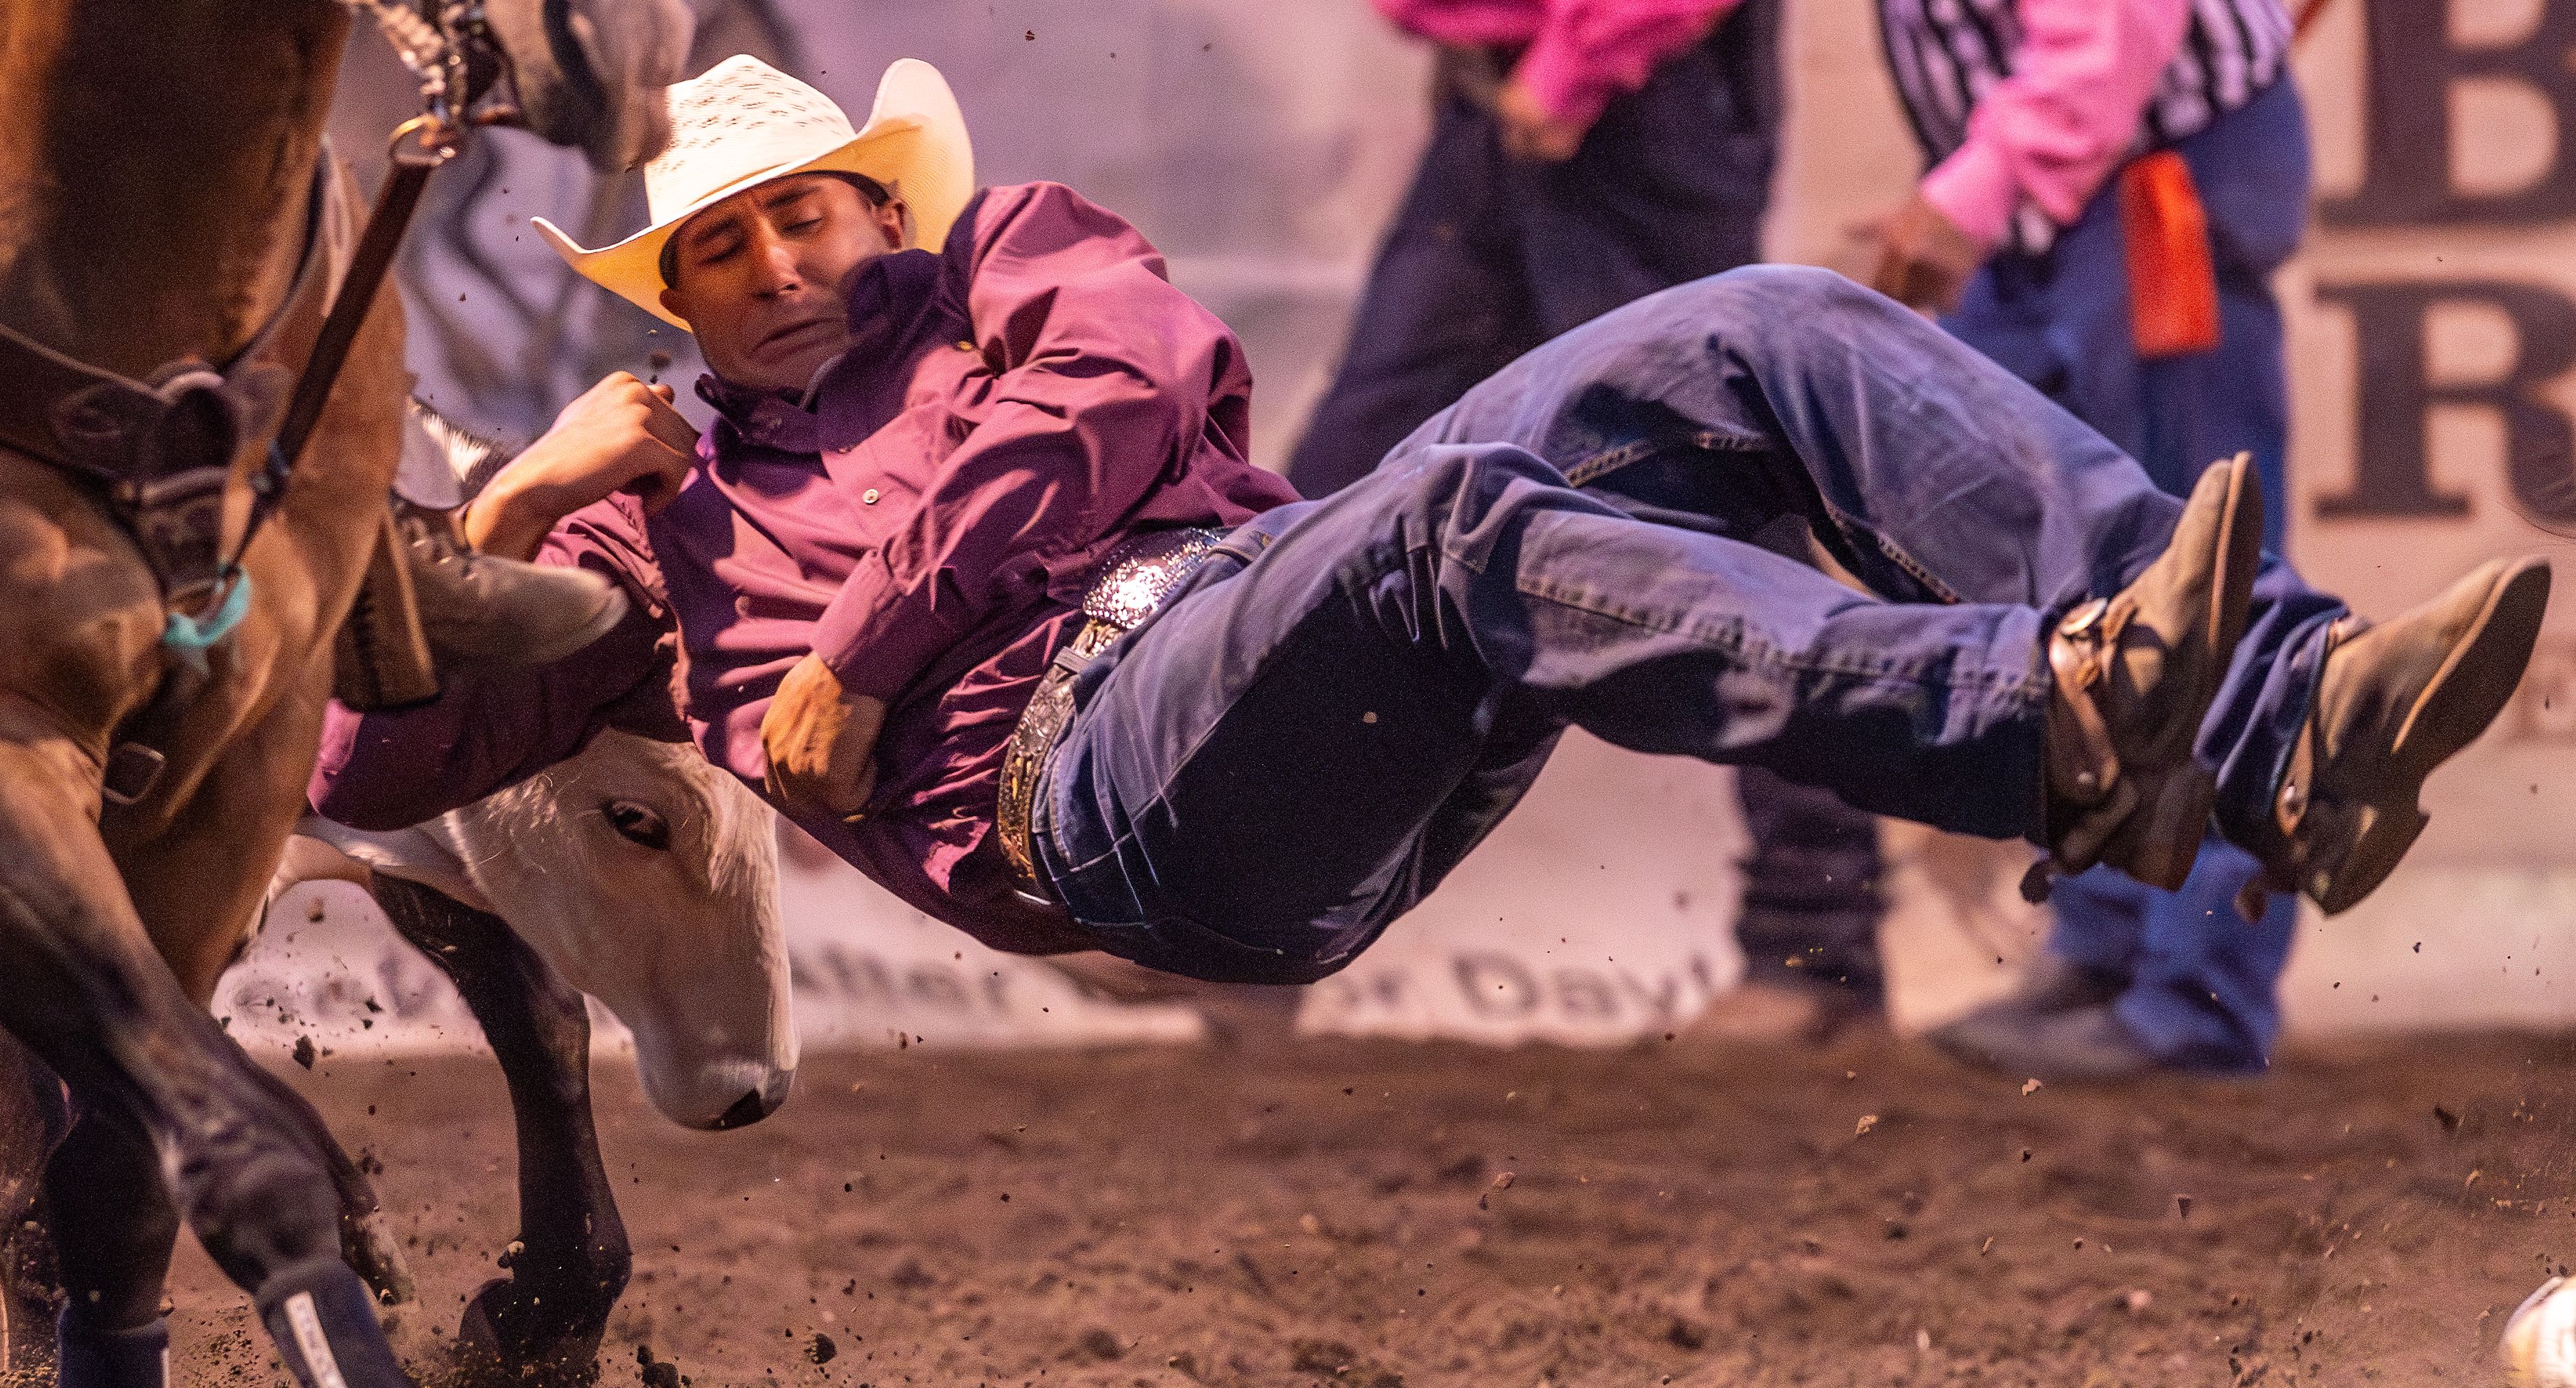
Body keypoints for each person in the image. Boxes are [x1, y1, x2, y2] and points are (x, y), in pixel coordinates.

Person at [311, 56, 2548, 1027]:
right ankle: (2057, 729)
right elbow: (357, 760)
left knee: (1767, 322)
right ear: (676, 304)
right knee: (1467, 521)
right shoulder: (649, 556)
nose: (779, 262)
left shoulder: (1012, 253)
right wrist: (506, 501)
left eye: (804, 211)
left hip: (1270, 663)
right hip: (1105, 790)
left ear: (877, 209)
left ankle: (2271, 717)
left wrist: (872, 643)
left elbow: (1113, 398)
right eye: (719, 250)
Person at [1725, 0, 2317, 1074]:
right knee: (2064, 580)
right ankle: (2107, 943)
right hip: (2065, 180)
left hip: (2141, 167)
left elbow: (2116, 28)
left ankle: (2201, 995)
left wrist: (1977, 187)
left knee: (2194, 568)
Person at [1285, 0, 1782, 499]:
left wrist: (1577, 60)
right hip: (1495, 96)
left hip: (1645, 96)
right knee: (1361, 447)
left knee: (1688, 458)